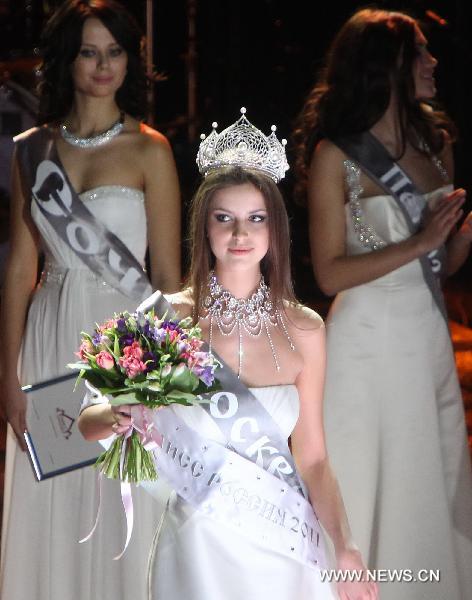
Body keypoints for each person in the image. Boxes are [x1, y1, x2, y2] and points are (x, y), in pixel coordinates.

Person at [78, 108, 378, 600]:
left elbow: (315, 458)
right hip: (197, 548)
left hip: (284, 548)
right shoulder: (167, 320)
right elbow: (88, 420)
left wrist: (345, 547)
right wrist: (117, 414)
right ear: (205, 227)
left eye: (255, 219)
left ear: (274, 229)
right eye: (225, 219)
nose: (240, 235)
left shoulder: (305, 329)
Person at [0, 1, 181, 598]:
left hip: (122, 343)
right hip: (50, 339)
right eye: (88, 51)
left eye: (116, 51)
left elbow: (171, 281)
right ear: (66, 59)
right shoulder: (32, 151)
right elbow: (20, 269)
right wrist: (8, 376)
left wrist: (157, 380)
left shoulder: (150, 150)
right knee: (53, 491)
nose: (104, 65)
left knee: (117, 501)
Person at [294, 8, 472, 600]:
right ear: (386, 65)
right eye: (420, 52)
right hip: (365, 347)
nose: (433, 62)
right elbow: (328, 271)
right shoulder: (335, 157)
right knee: (368, 481)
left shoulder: (438, 143)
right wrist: (421, 241)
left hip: (427, 338)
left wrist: (454, 247)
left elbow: (437, 268)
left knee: (428, 481)